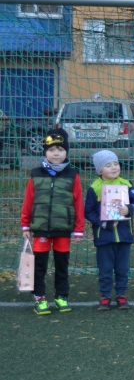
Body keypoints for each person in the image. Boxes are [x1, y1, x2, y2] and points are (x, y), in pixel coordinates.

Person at [20, 129, 85, 315]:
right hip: (40, 229)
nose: (56, 153)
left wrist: (78, 228)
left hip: (63, 229)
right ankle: (39, 298)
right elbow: (28, 201)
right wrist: (25, 224)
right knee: (39, 266)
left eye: (60, 149)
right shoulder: (35, 174)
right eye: (51, 149)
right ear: (45, 152)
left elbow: (78, 202)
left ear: (66, 152)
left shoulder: (73, 175)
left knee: (62, 265)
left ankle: (61, 296)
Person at [84, 150, 134, 310]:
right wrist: (104, 224)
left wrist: (130, 208)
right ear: (99, 171)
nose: (113, 167)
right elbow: (89, 211)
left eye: (116, 164)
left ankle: (121, 295)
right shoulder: (94, 188)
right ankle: (105, 296)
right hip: (104, 236)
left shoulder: (126, 184)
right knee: (105, 269)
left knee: (122, 268)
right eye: (108, 165)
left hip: (124, 236)